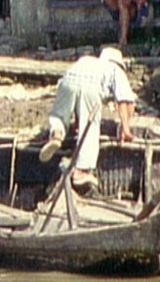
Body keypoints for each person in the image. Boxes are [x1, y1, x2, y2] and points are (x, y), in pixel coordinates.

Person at [38, 46, 137, 192]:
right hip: (91, 88)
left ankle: (56, 135)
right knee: (90, 127)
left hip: (67, 82)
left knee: (58, 114)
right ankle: (82, 171)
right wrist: (125, 129)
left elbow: (77, 94)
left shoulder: (86, 60)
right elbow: (123, 101)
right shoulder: (115, 70)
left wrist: (76, 124)